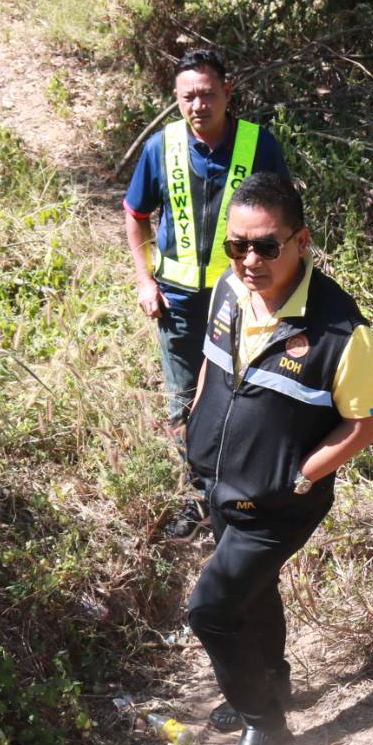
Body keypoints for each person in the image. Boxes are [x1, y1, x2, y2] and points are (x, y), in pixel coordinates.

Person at [183, 172, 373, 745]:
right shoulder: (229, 289)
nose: (250, 260)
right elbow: (211, 363)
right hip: (220, 482)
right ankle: (270, 678)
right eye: (237, 245)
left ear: (301, 241)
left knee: (211, 610)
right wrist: (194, 425)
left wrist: (300, 476)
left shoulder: (340, 332)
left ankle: (264, 723)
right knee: (253, 589)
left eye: (266, 246)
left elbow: (363, 424)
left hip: (277, 503)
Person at [123, 48, 292, 541]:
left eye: (207, 94)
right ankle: (197, 498)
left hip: (241, 297)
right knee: (182, 401)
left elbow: (283, 220)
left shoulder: (259, 144)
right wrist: (145, 280)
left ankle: (241, 496)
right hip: (176, 300)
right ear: (177, 99)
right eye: (188, 97)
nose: (198, 105)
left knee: (242, 396)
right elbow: (135, 213)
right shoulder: (161, 146)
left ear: (227, 92)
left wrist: (280, 286)